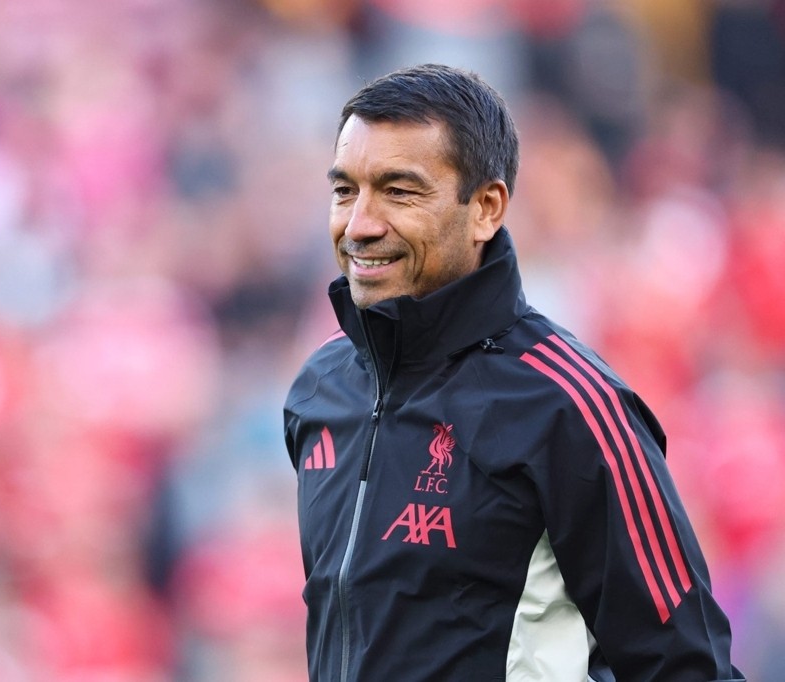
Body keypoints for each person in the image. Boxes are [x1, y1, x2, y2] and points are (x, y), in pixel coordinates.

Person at [282, 64, 743, 681]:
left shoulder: (571, 406)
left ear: (486, 209)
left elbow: (688, 667)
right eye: (345, 191)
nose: (359, 224)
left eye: (399, 191)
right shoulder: (319, 389)